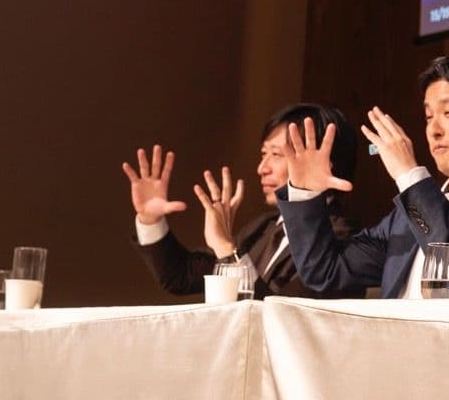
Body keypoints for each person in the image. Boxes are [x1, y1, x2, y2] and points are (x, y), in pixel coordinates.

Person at [278, 53, 449, 297]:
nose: (433, 130)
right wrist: (305, 192)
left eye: (448, 112)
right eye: (427, 116)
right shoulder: (409, 215)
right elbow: (327, 272)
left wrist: (410, 176)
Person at [124, 103, 363, 299]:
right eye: (263, 154)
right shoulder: (265, 227)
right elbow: (180, 276)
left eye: (276, 155)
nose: (261, 168)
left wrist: (228, 251)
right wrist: (150, 219)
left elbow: (281, 323)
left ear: (322, 162)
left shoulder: (344, 240)